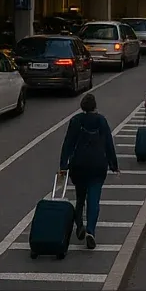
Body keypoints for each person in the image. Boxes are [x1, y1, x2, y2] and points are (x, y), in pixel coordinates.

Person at [59, 93, 118, 250]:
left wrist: (63, 165)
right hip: (98, 165)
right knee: (94, 200)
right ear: (95, 106)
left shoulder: (75, 121)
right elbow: (108, 144)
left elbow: (68, 144)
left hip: (79, 165)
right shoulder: (101, 121)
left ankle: (79, 226)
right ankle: (90, 230)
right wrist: (113, 164)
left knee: (80, 198)